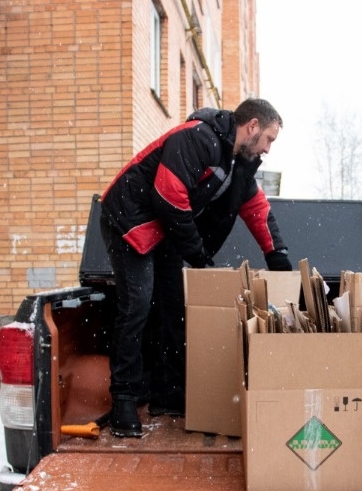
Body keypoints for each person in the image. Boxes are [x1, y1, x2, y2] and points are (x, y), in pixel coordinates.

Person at [99, 98, 292, 437]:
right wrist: (199, 255)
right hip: (128, 218)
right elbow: (169, 195)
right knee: (137, 306)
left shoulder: (238, 166)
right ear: (252, 127)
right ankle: (125, 400)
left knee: (174, 311)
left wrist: (278, 258)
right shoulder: (197, 138)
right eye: (269, 139)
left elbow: (258, 211)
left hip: (165, 229)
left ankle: (167, 394)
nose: (269, 148)